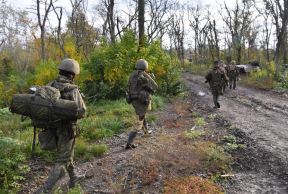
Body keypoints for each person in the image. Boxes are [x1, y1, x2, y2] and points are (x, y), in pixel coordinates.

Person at [34, 58, 86, 193]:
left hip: (51, 127)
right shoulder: (72, 89)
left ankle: (74, 178)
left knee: (66, 154)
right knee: (63, 159)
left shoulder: (49, 85)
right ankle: (45, 189)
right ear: (72, 75)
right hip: (66, 129)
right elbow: (82, 112)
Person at [125, 59, 158, 149]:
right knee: (139, 120)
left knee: (142, 115)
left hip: (134, 101)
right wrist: (151, 79)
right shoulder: (145, 76)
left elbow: (128, 86)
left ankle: (146, 131)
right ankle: (129, 143)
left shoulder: (132, 75)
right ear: (145, 67)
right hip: (142, 101)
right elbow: (154, 87)